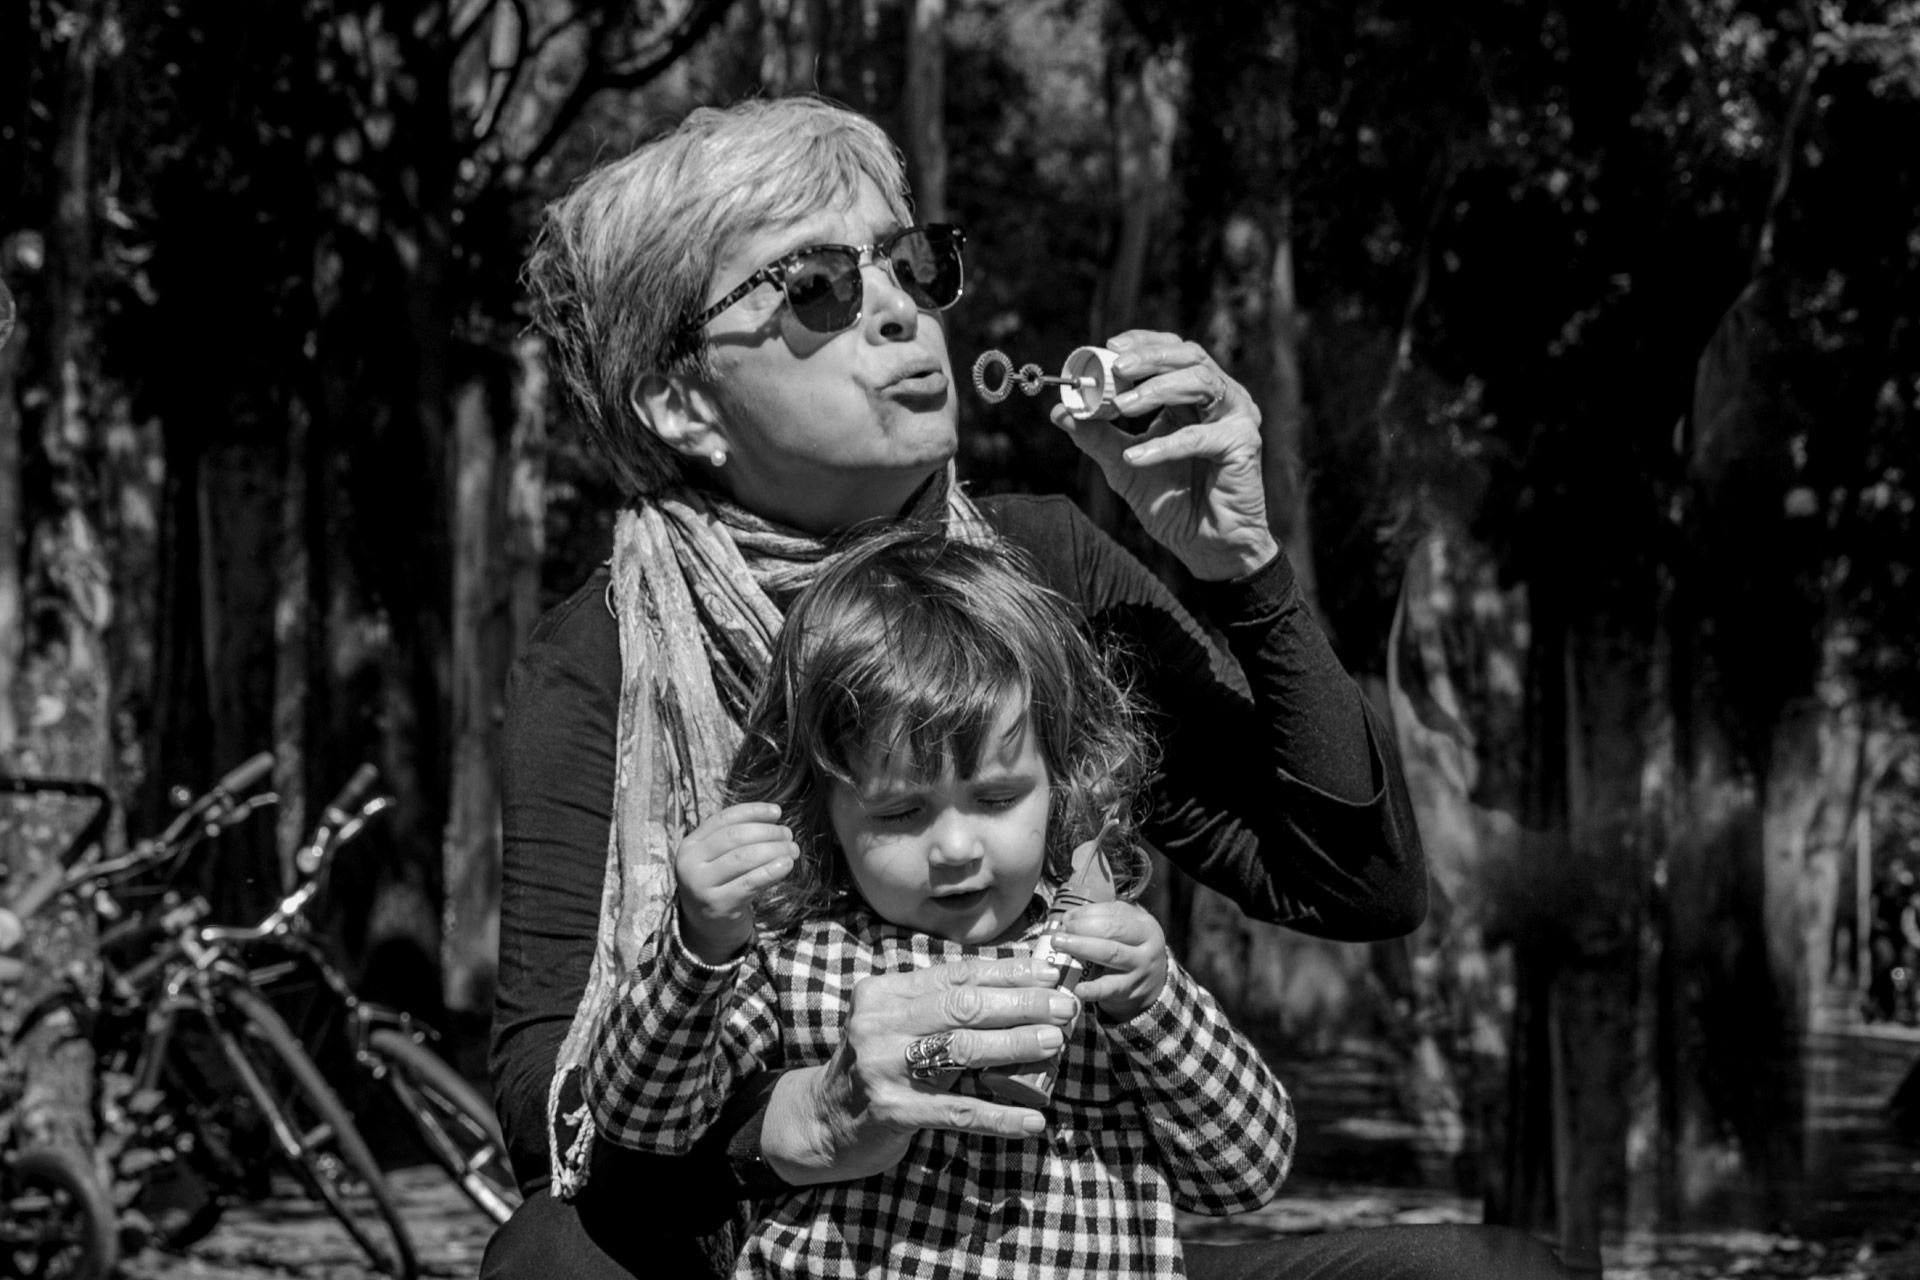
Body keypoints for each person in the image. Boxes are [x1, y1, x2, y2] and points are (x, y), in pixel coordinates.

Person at [484, 93, 1567, 1278]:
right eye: (816, 288)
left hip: (1062, 1242)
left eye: (907, 263)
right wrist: (806, 1115)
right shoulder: (603, 653)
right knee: (546, 1256)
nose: (897, 309)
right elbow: (555, 1124)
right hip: (780, 1245)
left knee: (1500, 1273)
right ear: (680, 401)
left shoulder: (1038, 566)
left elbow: (1356, 882)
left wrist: (1243, 568)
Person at [587, 528, 1294, 1275]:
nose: (956, 847)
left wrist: (1157, 1003)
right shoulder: (801, 957)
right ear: (821, 810)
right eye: (899, 813)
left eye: (996, 797)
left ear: (1064, 779)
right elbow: (642, 1119)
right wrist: (699, 948)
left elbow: (1245, 1175)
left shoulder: (1101, 969)